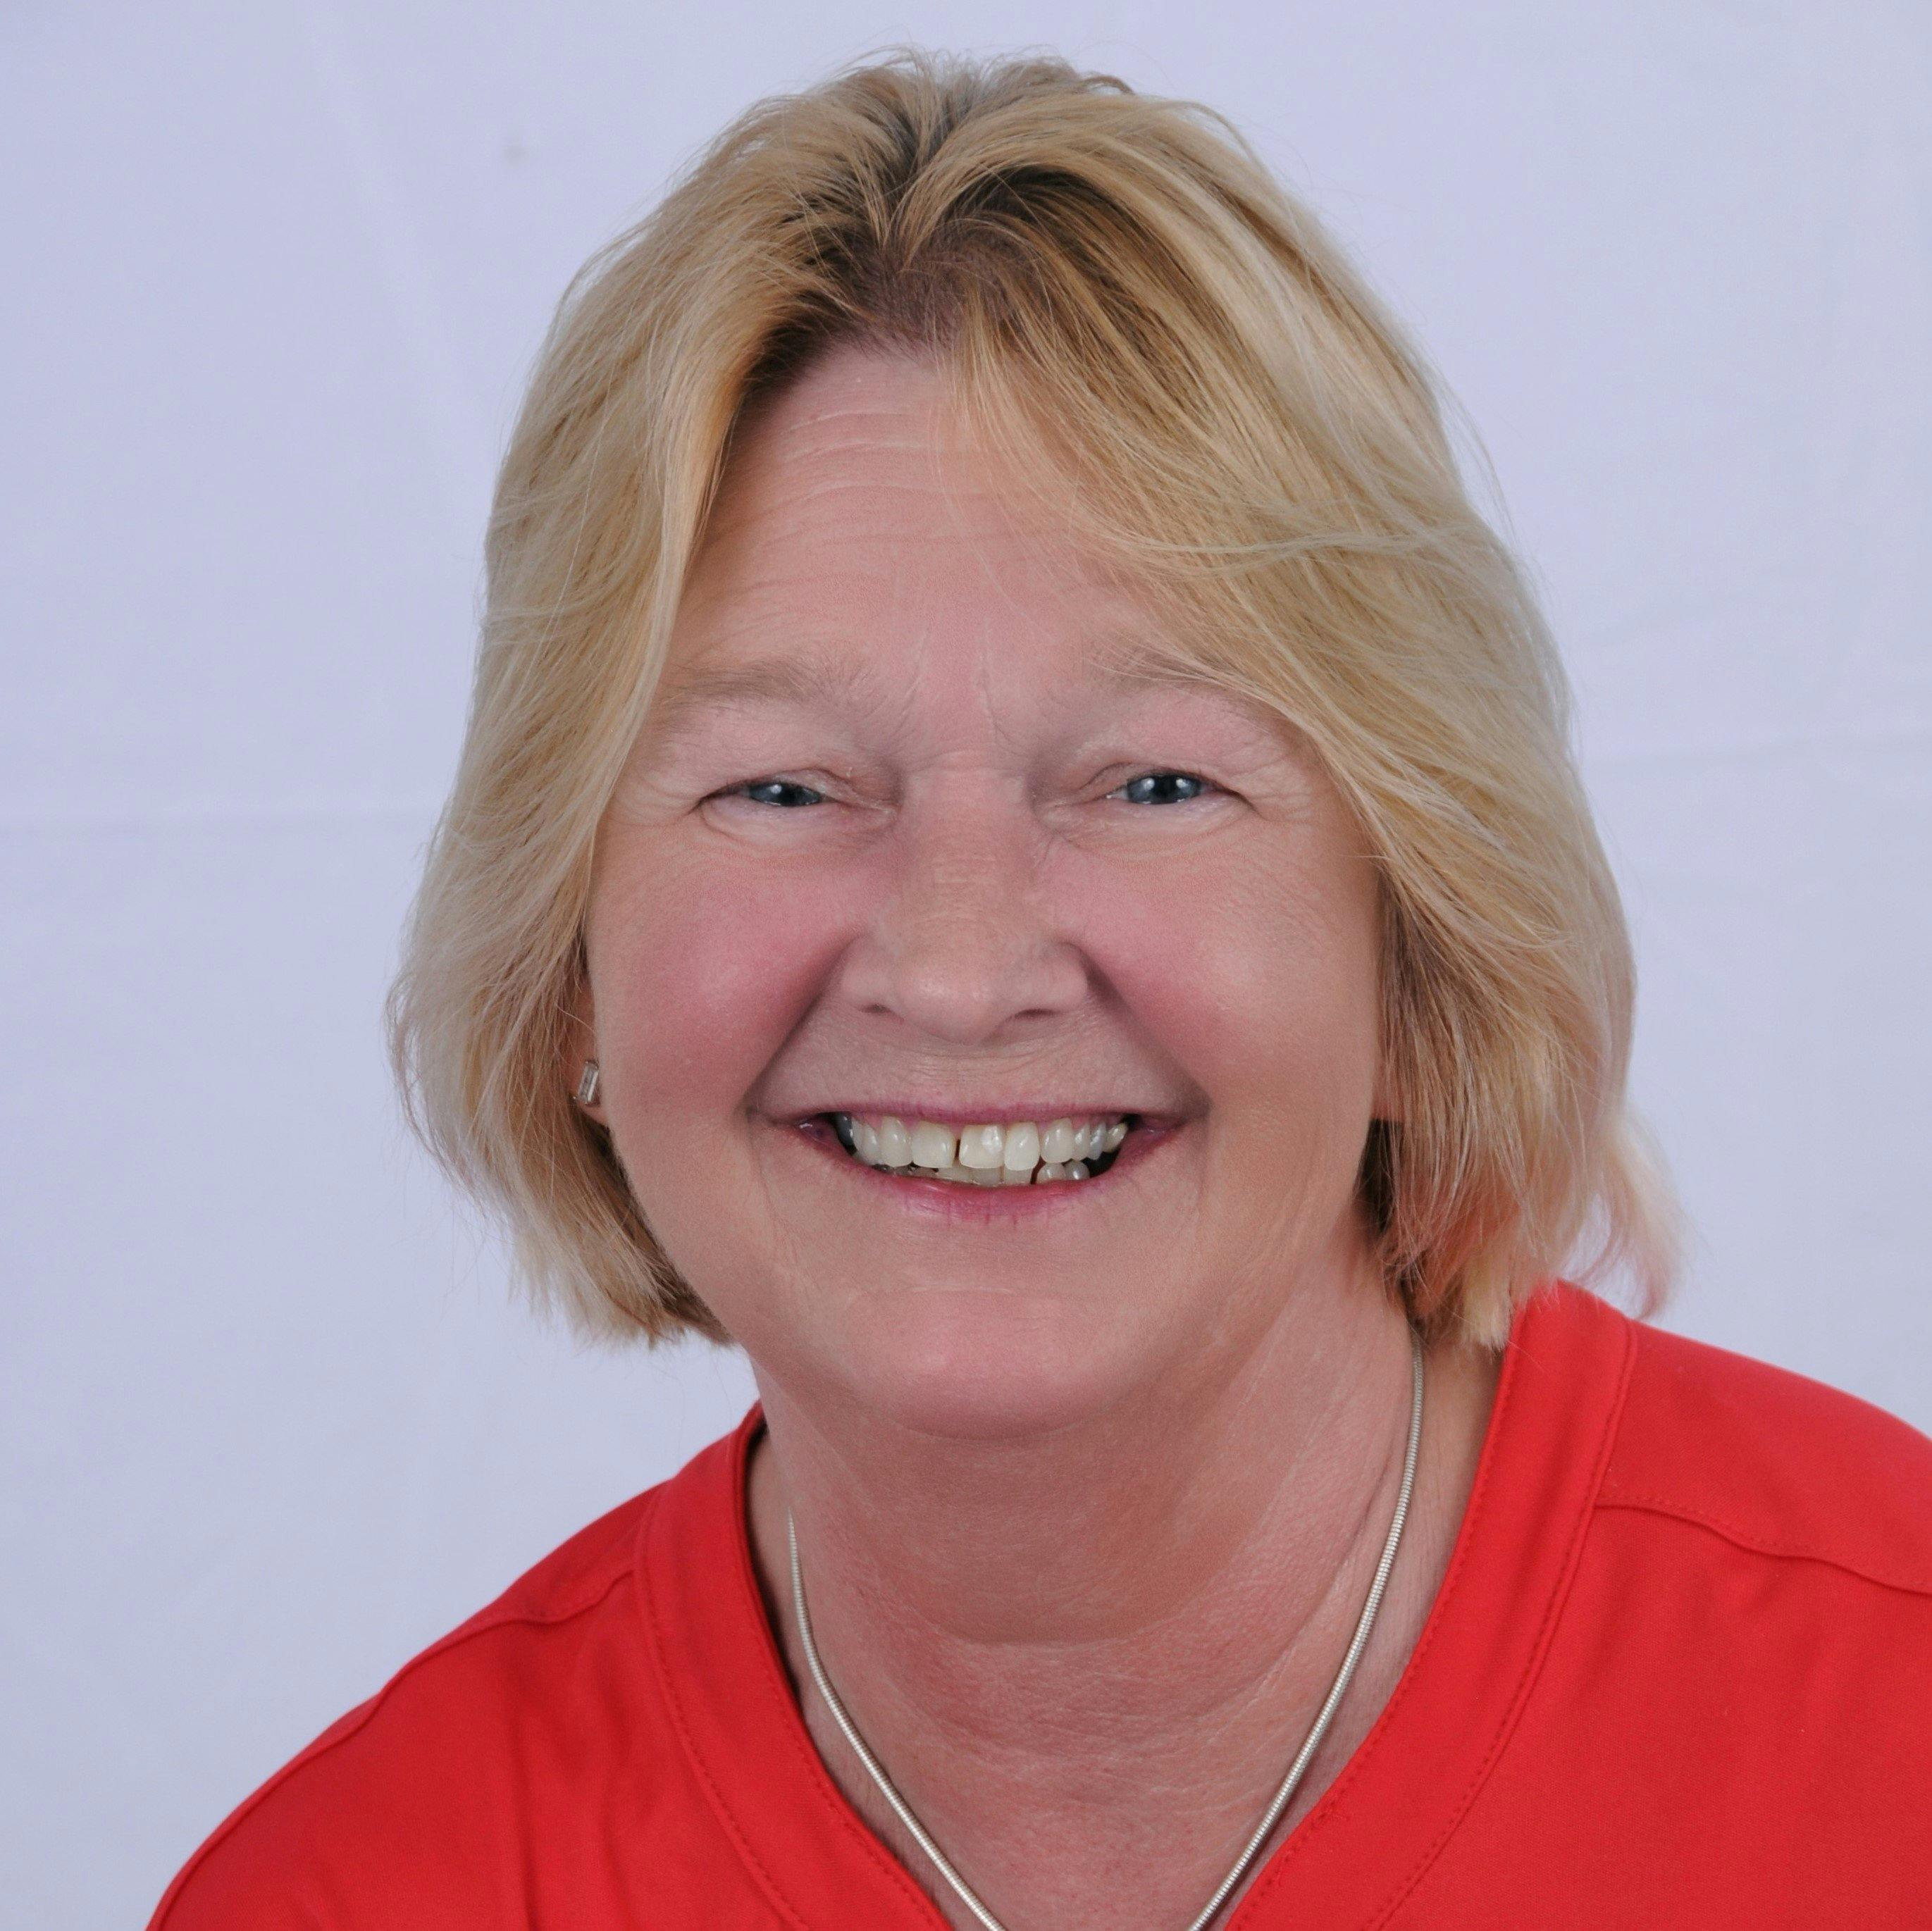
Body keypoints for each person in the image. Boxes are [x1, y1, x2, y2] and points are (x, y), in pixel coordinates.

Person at [149, 46, 1931, 1930]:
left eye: (1156, 781)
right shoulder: (357, 1895)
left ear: (1422, 946)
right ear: (571, 970)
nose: (959, 962)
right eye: (781, 786)